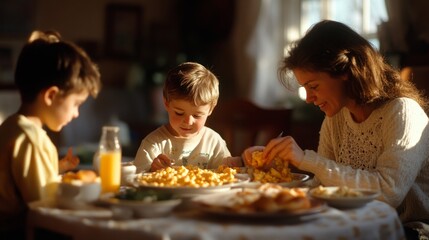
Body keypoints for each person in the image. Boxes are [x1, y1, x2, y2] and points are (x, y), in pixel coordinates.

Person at [243, 20, 429, 239]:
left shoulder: (402, 112)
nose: (309, 98)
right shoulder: (336, 117)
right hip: (351, 222)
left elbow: (388, 194)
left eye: (313, 86)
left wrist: (306, 159)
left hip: (405, 230)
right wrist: (272, 176)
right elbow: (323, 186)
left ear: (345, 71)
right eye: (305, 88)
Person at [0, 30, 101, 238]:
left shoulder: (11, 125)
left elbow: (21, 179)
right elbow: (44, 204)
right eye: (76, 104)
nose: (76, 114)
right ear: (51, 95)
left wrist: (58, 166)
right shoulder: (32, 138)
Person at [134, 62, 241, 173]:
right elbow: (135, 179)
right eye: (179, 113)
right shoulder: (154, 143)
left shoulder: (213, 142)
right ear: (166, 103)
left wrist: (236, 163)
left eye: (197, 115)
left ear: (210, 109)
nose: (188, 121)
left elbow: (227, 174)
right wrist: (152, 170)